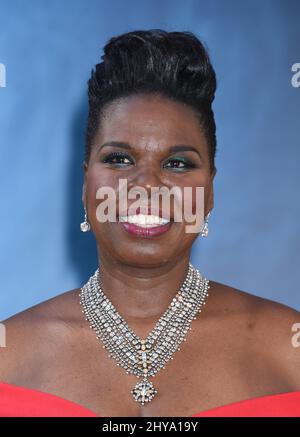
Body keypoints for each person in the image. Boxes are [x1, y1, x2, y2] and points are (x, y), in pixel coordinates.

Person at [0, 29, 299, 418]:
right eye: (120, 159)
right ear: (85, 182)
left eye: (178, 164)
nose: (146, 185)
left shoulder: (287, 347)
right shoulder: (10, 354)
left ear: (209, 193)